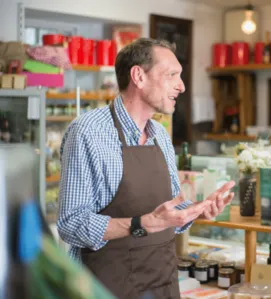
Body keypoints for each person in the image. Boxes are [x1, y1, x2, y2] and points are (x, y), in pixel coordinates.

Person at [56, 38, 235, 299]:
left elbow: (166, 213)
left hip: (161, 284)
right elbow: (70, 224)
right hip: (105, 288)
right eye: (172, 75)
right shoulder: (88, 132)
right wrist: (142, 224)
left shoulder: (160, 135)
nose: (181, 86)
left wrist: (197, 210)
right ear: (138, 76)